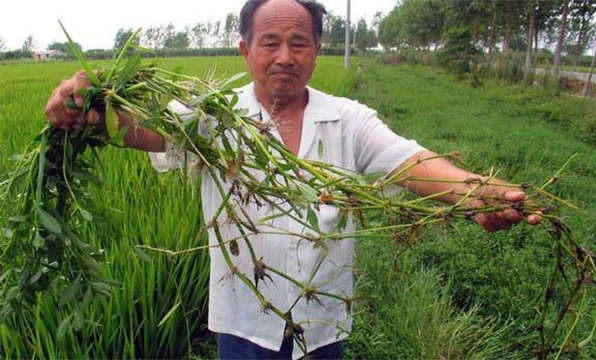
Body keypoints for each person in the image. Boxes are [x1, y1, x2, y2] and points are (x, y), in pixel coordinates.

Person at [45, 0, 541, 358]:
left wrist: (478, 193)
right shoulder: (212, 116)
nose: (285, 54)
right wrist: (86, 104)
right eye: (271, 42)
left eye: (298, 42)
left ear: (316, 51)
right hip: (243, 324)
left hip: (323, 323)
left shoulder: (348, 118)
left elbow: (409, 162)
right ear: (245, 50)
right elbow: (139, 129)